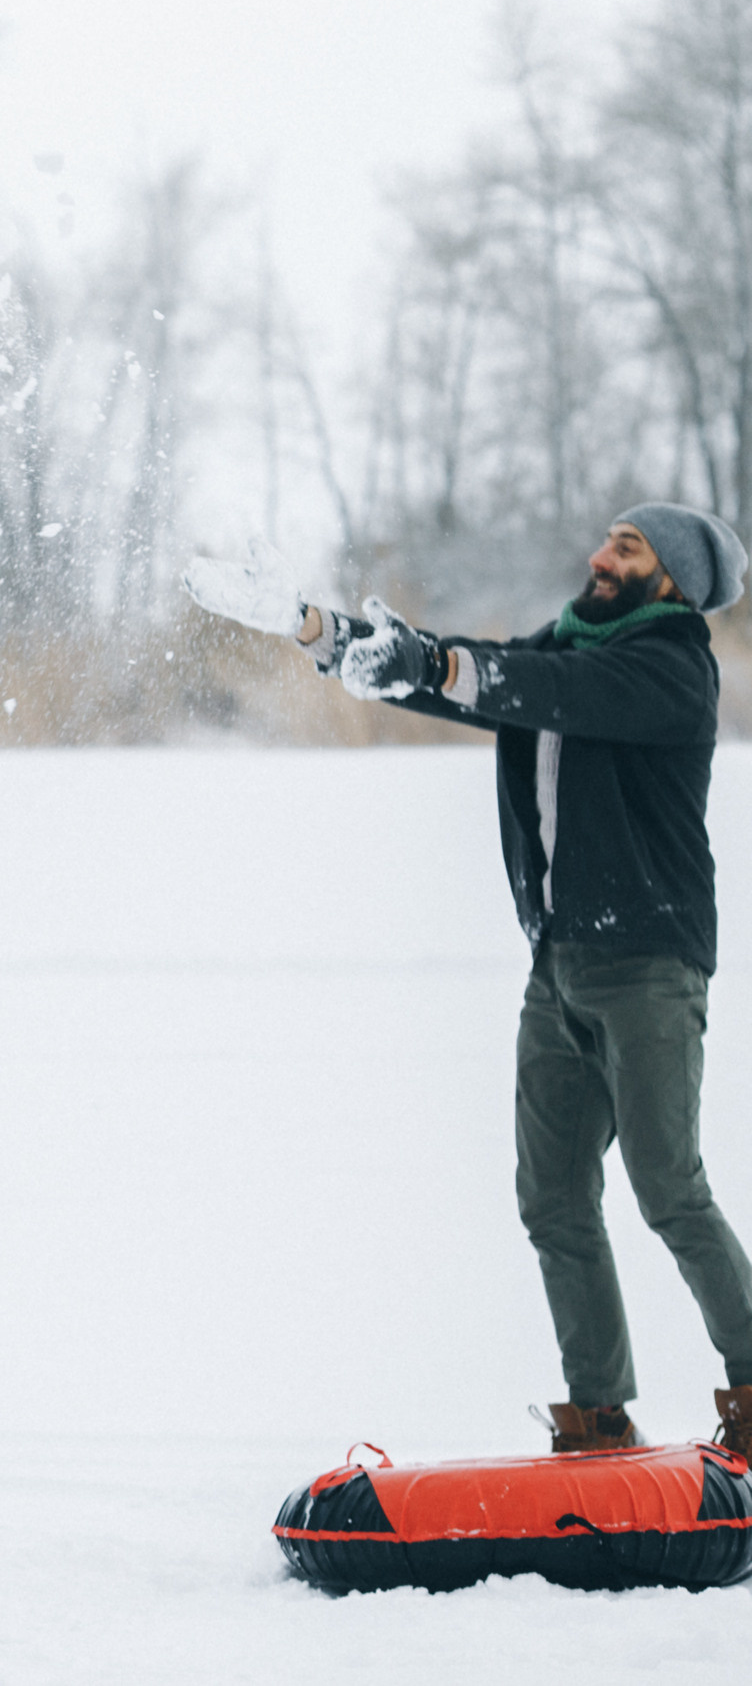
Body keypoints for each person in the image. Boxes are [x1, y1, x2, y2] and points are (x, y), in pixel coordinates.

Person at [190, 507, 752, 1456]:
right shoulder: (561, 653)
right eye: (606, 540)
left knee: (669, 1187)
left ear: (674, 581)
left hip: (648, 965)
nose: (599, 556)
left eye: (628, 548)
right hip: (559, 969)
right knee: (554, 1198)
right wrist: (318, 630)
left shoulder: (671, 668)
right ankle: (600, 1413)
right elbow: (471, 674)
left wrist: (447, 665)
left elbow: (539, 687)